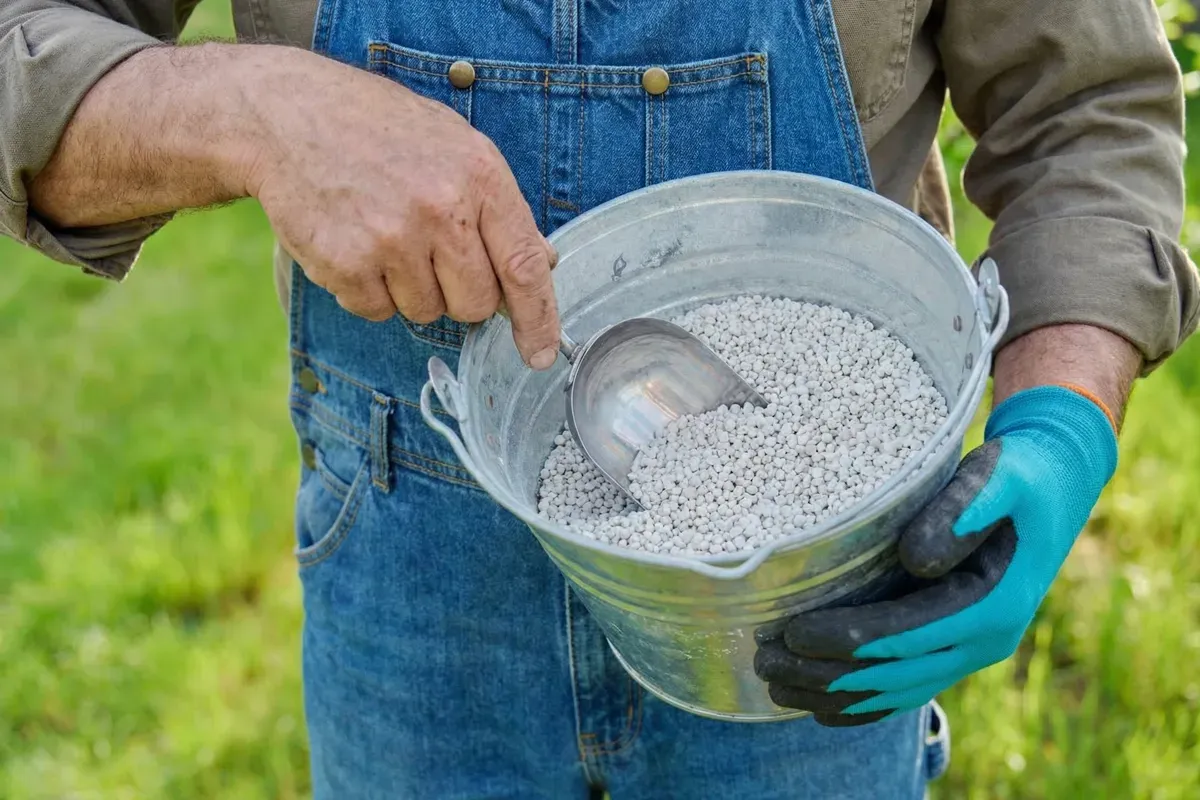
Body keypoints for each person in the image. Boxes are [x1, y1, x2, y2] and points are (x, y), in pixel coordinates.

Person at [3, 0, 1196, 796]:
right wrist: (250, 111)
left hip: (824, 601)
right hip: (416, 596)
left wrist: (1056, 432)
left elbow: (1090, 115)